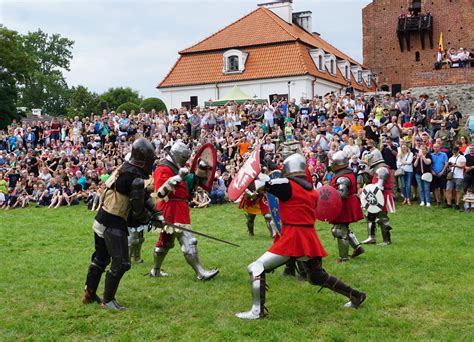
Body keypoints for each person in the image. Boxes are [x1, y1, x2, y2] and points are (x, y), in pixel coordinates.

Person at [235, 153, 366, 320]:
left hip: (294, 237)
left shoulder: (287, 184)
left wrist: (254, 173)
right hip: (308, 236)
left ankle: (256, 311)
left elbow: (263, 184)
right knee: (317, 276)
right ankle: (356, 295)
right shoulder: (311, 189)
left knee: (256, 267)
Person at [82, 138, 162, 310]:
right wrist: (152, 218)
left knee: (101, 258)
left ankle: (89, 294)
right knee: (122, 263)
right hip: (113, 221)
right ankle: (108, 300)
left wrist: (156, 212)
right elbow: (137, 211)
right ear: (143, 160)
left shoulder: (126, 169)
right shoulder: (135, 178)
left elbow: (142, 196)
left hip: (102, 217)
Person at [149, 141, 219, 280]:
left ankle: (155, 271)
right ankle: (200, 273)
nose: (185, 161)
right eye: (184, 158)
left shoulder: (176, 167)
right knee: (188, 240)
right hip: (171, 208)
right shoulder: (162, 168)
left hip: (179, 208)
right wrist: (178, 177)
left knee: (165, 242)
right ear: (176, 155)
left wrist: (199, 170)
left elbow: (187, 185)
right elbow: (161, 192)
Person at [328, 151, 365, 263]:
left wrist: (329, 194)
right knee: (343, 228)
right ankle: (358, 247)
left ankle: (343, 258)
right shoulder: (345, 173)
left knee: (339, 230)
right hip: (346, 203)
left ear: (337, 164)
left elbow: (342, 194)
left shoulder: (342, 178)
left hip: (344, 205)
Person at [362, 148, 395, 246]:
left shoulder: (382, 169)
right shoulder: (378, 169)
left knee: (382, 218)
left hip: (382, 196)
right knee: (370, 216)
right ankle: (371, 237)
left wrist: (368, 190)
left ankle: (387, 240)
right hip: (376, 195)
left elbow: (379, 186)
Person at [445, 146, 466, 210]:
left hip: (459, 176)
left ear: (458, 151)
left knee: (458, 191)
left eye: (455, 151)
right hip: (451, 175)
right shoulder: (451, 158)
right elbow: (449, 167)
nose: (454, 152)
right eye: (453, 151)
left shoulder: (462, 157)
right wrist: (449, 166)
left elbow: (463, 166)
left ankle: (457, 204)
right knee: (448, 189)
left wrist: (455, 165)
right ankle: (449, 204)